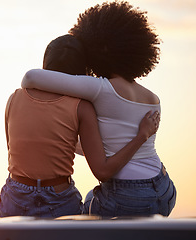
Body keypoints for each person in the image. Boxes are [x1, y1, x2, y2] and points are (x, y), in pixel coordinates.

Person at [21, 1, 176, 217]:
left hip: (126, 196)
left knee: (85, 205)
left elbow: (30, 77)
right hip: (164, 188)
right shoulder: (152, 98)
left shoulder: (101, 89)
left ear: (97, 51)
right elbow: (114, 144)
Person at [0, 34, 160, 218]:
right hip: (57, 202)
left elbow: (17, 149)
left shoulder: (14, 99)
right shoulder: (81, 107)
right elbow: (103, 171)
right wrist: (141, 136)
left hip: (14, 197)